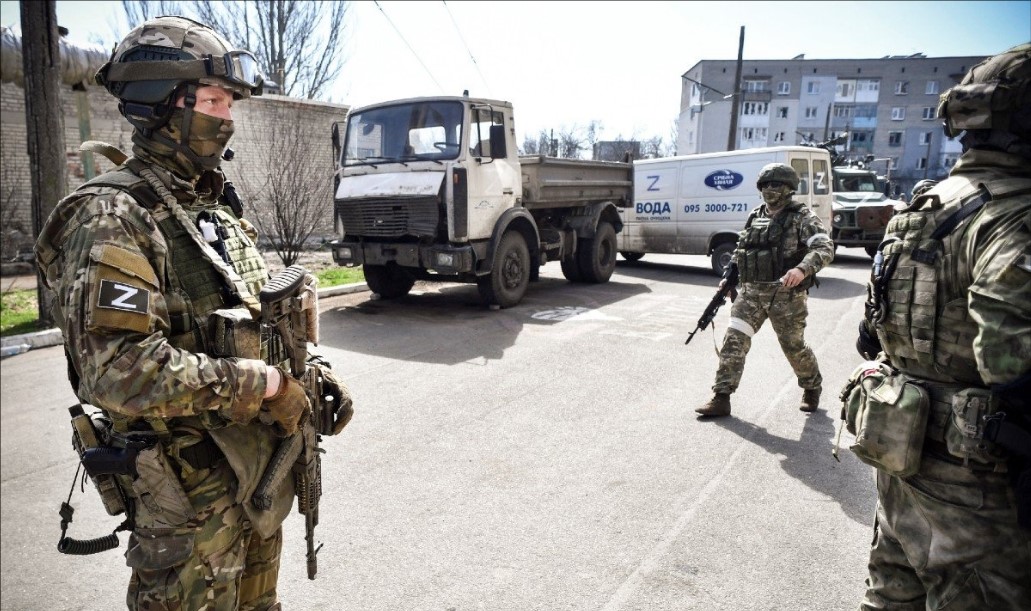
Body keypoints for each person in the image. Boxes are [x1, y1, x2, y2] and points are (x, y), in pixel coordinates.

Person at [35, 16, 351, 611]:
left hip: (254, 479)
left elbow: (257, 320)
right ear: (163, 103)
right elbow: (119, 370)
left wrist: (312, 377)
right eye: (212, 99)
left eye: (229, 101)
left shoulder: (212, 208)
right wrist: (266, 385)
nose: (226, 116)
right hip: (188, 504)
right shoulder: (113, 215)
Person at [850, 43, 1030, 609]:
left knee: (891, 594)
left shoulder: (922, 206)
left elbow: (869, 334)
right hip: (976, 487)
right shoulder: (1014, 216)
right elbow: (1013, 365)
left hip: (903, 453)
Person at [696, 163, 835, 417]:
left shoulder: (802, 217)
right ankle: (721, 396)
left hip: (786, 295)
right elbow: (742, 250)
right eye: (766, 185)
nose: (770, 190)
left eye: (776, 185)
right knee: (734, 340)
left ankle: (812, 385)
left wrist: (802, 269)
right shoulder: (756, 215)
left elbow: (825, 248)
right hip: (751, 293)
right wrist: (729, 278)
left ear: (789, 189)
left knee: (793, 346)